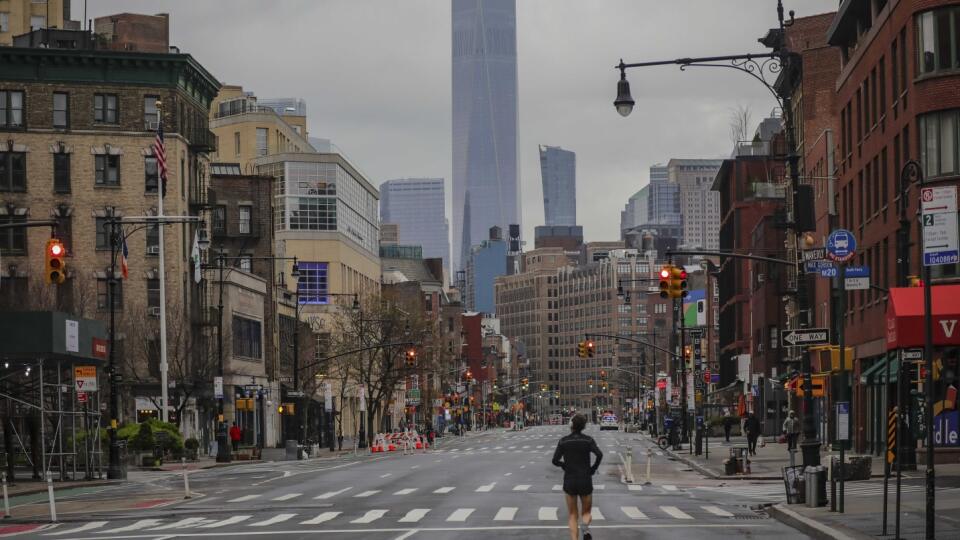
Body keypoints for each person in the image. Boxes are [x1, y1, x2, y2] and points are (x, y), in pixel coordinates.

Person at [552, 414, 603, 540]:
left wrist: (564, 465)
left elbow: (554, 460)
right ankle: (585, 527)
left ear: (571, 426)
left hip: (569, 480)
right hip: (585, 479)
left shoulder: (563, 441)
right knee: (586, 513)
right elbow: (599, 454)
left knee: (572, 515)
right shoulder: (588, 440)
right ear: (584, 426)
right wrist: (593, 468)